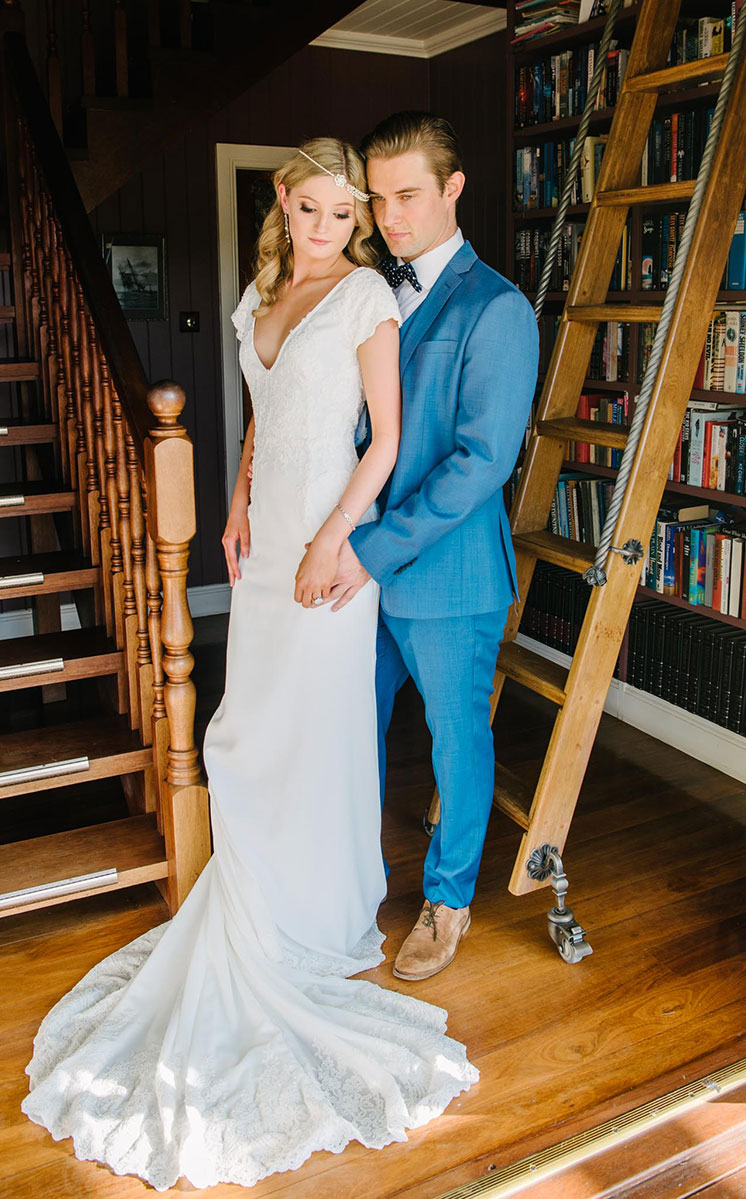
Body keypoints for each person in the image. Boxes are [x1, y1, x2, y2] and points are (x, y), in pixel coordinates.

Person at [21, 138, 477, 1192]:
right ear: (282, 203)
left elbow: (386, 444)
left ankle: (317, 912)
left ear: (356, 220)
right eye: (309, 210)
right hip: (264, 538)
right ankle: (269, 881)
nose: (324, 229)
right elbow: (263, 426)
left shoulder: (364, 294)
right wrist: (233, 507)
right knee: (252, 720)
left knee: (306, 726)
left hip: (324, 544)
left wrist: (332, 542)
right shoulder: (259, 293)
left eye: (341, 214)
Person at [324, 112, 539, 982]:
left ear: (453, 188)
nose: (389, 216)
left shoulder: (497, 307)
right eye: (377, 199)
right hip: (360, 564)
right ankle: (349, 881)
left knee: (456, 746)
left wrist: (371, 547)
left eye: (408, 195)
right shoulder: (373, 289)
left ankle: (447, 903)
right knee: (348, 730)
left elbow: (481, 460)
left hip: (446, 574)